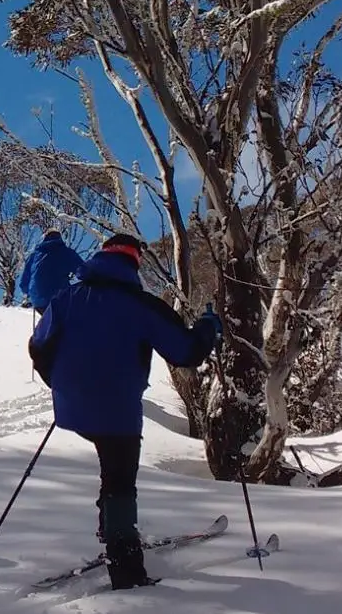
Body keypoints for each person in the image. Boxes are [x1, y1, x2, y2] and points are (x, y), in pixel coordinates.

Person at [27, 233, 220, 590]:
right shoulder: (141, 305)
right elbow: (186, 353)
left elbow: (38, 347)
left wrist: (63, 385)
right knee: (119, 480)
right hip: (116, 412)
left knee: (111, 470)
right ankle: (125, 565)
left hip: (71, 407)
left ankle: (112, 528)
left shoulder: (66, 298)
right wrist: (210, 329)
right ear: (135, 263)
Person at [16, 229, 84, 314]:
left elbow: (23, 283)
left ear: (44, 238)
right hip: (60, 298)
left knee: (49, 320)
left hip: (38, 299)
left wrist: (29, 294)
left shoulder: (34, 255)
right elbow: (84, 271)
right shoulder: (67, 252)